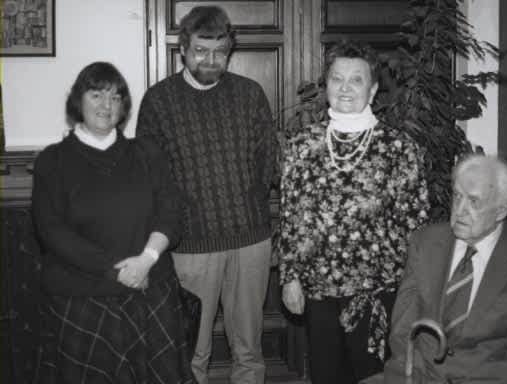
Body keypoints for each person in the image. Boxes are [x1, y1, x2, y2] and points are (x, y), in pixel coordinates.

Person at [136, 6, 277, 384]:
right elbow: (150, 178)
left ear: (229, 49)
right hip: (189, 247)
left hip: (250, 242)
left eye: (220, 52)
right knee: (191, 352)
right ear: (183, 48)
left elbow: (269, 161)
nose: (211, 60)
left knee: (249, 349)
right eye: (201, 51)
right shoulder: (159, 101)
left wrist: (246, 204)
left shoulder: (250, 94)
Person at [276, 40, 430, 384]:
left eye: (356, 80)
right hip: (318, 290)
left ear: (373, 89)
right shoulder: (303, 145)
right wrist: (290, 277)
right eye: (336, 79)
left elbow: (415, 224)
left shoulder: (399, 148)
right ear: (326, 85)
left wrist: (413, 290)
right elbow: (291, 217)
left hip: (378, 292)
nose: (345, 88)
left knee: (372, 377)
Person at [32, 62, 195, 384]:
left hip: (151, 292)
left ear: (124, 107)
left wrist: (146, 260)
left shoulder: (148, 152)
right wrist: (117, 271)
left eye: (115, 97)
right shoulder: (53, 161)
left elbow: (171, 212)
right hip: (82, 298)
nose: (106, 106)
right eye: (97, 95)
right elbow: (52, 232)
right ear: (79, 100)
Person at [383, 154, 507, 384]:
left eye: (474, 202)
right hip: (419, 376)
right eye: (457, 197)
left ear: (501, 210)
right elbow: (402, 330)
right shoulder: (425, 242)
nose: (460, 210)